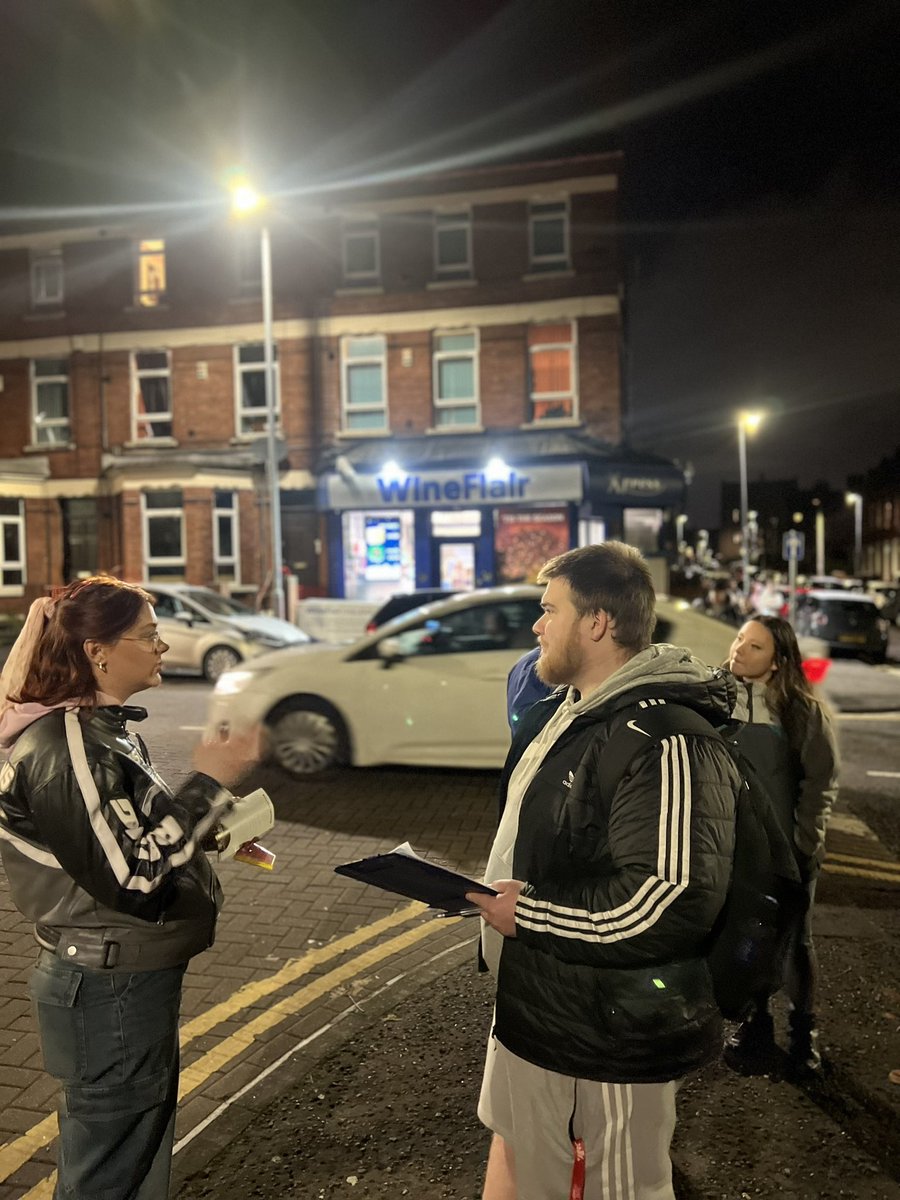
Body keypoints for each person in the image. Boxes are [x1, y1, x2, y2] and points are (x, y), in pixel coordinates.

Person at [466, 543, 742, 1200]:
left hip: (606, 1041)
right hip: (538, 1010)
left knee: (617, 1189)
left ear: (597, 623)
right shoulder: (563, 714)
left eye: (549, 610)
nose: (536, 625)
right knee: (521, 1164)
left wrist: (525, 912)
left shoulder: (668, 738)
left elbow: (667, 899)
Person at [0, 577, 262, 1200]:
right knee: (109, 1166)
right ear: (98, 651)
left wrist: (205, 830)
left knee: (134, 1153)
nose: (164, 646)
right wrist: (209, 783)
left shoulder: (100, 728)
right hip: (108, 986)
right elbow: (134, 875)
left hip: (123, 979)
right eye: (148, 636)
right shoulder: (65, 743)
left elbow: (123, 833)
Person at [722, 615, 839, 1076]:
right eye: (739, 640)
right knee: (745, 937)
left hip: (788, 851)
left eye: (754, 647)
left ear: (777, 662)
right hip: (736, 849)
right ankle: (756, 1026)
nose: (738, 651)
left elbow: (821, 782)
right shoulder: (717, 699)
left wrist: (805, 842)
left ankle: (803, 1035)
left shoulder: (801, 712)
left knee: (795, 942)